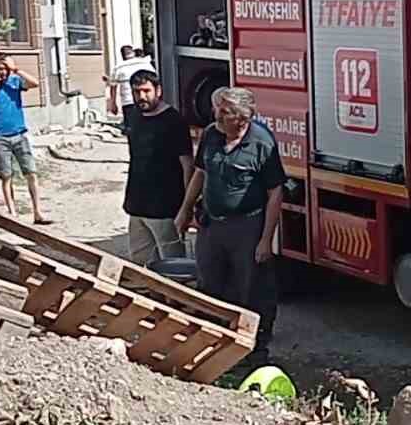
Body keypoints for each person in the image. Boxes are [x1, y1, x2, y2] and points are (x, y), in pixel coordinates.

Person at [175, 87, 285, 359]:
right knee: (209, 283)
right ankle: (212, 345)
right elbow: (201, 173)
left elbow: (275, 193)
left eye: (223, 112)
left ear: (242, 118)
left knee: (250, 288)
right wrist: (185, 209)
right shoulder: (212, 134)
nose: (216, 115)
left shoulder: (262, 142)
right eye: (218, 109)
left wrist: (265, 240)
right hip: (212, 225)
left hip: (247, 227)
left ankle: (253, 349)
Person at [122, 69, 193, 264]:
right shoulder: (133, 116)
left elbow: (187, 164)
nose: (141, 96)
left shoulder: (173, 120)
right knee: (140, 263)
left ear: (158, 91)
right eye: (136, 91)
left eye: (146, 91)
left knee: (172, 266)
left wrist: (186, 207)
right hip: (137, 205)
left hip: (165, 208)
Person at [0, 54, 52, 224]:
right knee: (6, 176)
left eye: (5, 68)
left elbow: (35, 83)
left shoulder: (15, 82)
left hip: (19, 135)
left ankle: (37, 212)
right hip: (0, 137)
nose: (3, 72)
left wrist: (17, 70)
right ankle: (13, 214)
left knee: (31, 173)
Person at [106, 46, 155, 134]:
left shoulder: (118, 67)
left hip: (128, 102)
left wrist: (113, 104)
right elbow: (154, 79)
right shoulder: (145, 63)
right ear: (133, 53)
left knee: (132, 129)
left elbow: (113, 86)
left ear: (122, 55)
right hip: (147, 99)